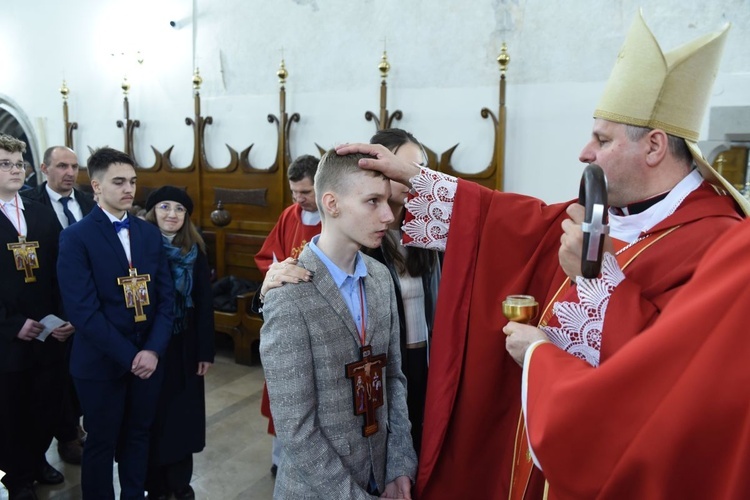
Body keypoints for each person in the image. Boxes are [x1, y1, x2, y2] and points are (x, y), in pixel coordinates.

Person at [334, 10, 748, 499]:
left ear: (655, 146)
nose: (584, 152)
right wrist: (418, 183)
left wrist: (569, 318)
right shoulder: (614, 213)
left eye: (602, 138)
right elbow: (512, 224)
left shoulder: (722, 248)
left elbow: (674, 389)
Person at [503, 215, 750, 498]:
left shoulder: (719, 238)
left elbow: (653, 398)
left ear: (653, 164)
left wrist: (538, 356)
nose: (583, 166)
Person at [259, 150, 417, 498]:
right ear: (332, 204)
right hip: (318, 489)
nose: (389, 216)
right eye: (372, 201)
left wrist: (399, 465)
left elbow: (394, 379)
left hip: (379, 471)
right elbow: (296, 429)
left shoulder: (378, 277)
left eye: (388, 201)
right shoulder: (289, 294)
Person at [57, 147, 175, 499]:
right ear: (96, 186)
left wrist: (152, 350)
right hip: (100, 361)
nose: (129, 189)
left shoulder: (148, 233)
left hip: (147, 359)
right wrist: (131, 356)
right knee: (102, 442)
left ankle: (133, 494)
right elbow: (83, 311)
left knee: (139, 435)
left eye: (133, 182)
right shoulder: (76, 237)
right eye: (119, 182)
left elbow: (166, 300)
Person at [0, 134, 75, 500]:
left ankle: (36, 460)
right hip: (7, 337)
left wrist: (63, 316)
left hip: (48, 332)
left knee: (46, 403)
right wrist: (12, 324)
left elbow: (62, 268)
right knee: (11, 410)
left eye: (18, 163)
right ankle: (16, 477)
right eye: (5, 163)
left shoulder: (39, 211)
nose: (15, 169)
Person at [365, 128, 441, 456]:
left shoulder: (429, 231)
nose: (417, 180)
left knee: (422, 439)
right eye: (407, 170)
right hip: (384, 362)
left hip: (424, 355)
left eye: (422, 170)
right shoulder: (364, 236)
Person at [21, 145, 95, 465]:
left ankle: (78, 427)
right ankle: (63, 436)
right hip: (47, 305)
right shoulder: (28, 205)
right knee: (53, 376)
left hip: (87, 304)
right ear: (44, 168)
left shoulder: (89, 204)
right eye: (62, 166)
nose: (69, 173)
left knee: (84, 372)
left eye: (75, 167)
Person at [141, 186, 215, 500]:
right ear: (152, 212)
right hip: (151, 346)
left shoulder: (194, 249)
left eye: (179, 209)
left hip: (184, 346)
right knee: (153, 417)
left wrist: (205, 351)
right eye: (165, 207)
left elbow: (203, 302)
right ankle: (156, 486)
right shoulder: (140, 247)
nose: (172, 214)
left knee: (182, 419)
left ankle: (180, 484)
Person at [253, 154, 321, 475]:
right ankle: (281, 462)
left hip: (320, 321)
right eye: (294, 192)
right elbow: (268, 257)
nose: (299, 199)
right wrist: (280, 271)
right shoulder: (289, 215)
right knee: (284, 393)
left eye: (305, 192)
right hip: (288, 321)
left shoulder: (335, 218)